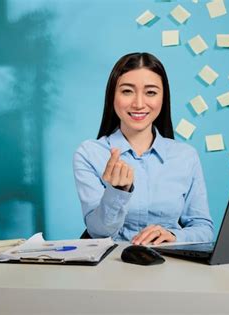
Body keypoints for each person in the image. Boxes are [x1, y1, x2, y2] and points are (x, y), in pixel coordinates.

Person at [73, 52, 214, 245]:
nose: (139, 104)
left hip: (170, 266)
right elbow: (97, 233)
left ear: (163, 98)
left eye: (151, 92)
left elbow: (204, 229)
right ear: (112, 96)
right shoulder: (90, 153)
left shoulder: (186, 156)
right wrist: (117, 191)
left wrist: (174, 237)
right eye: (127, 91)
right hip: (113, 267)